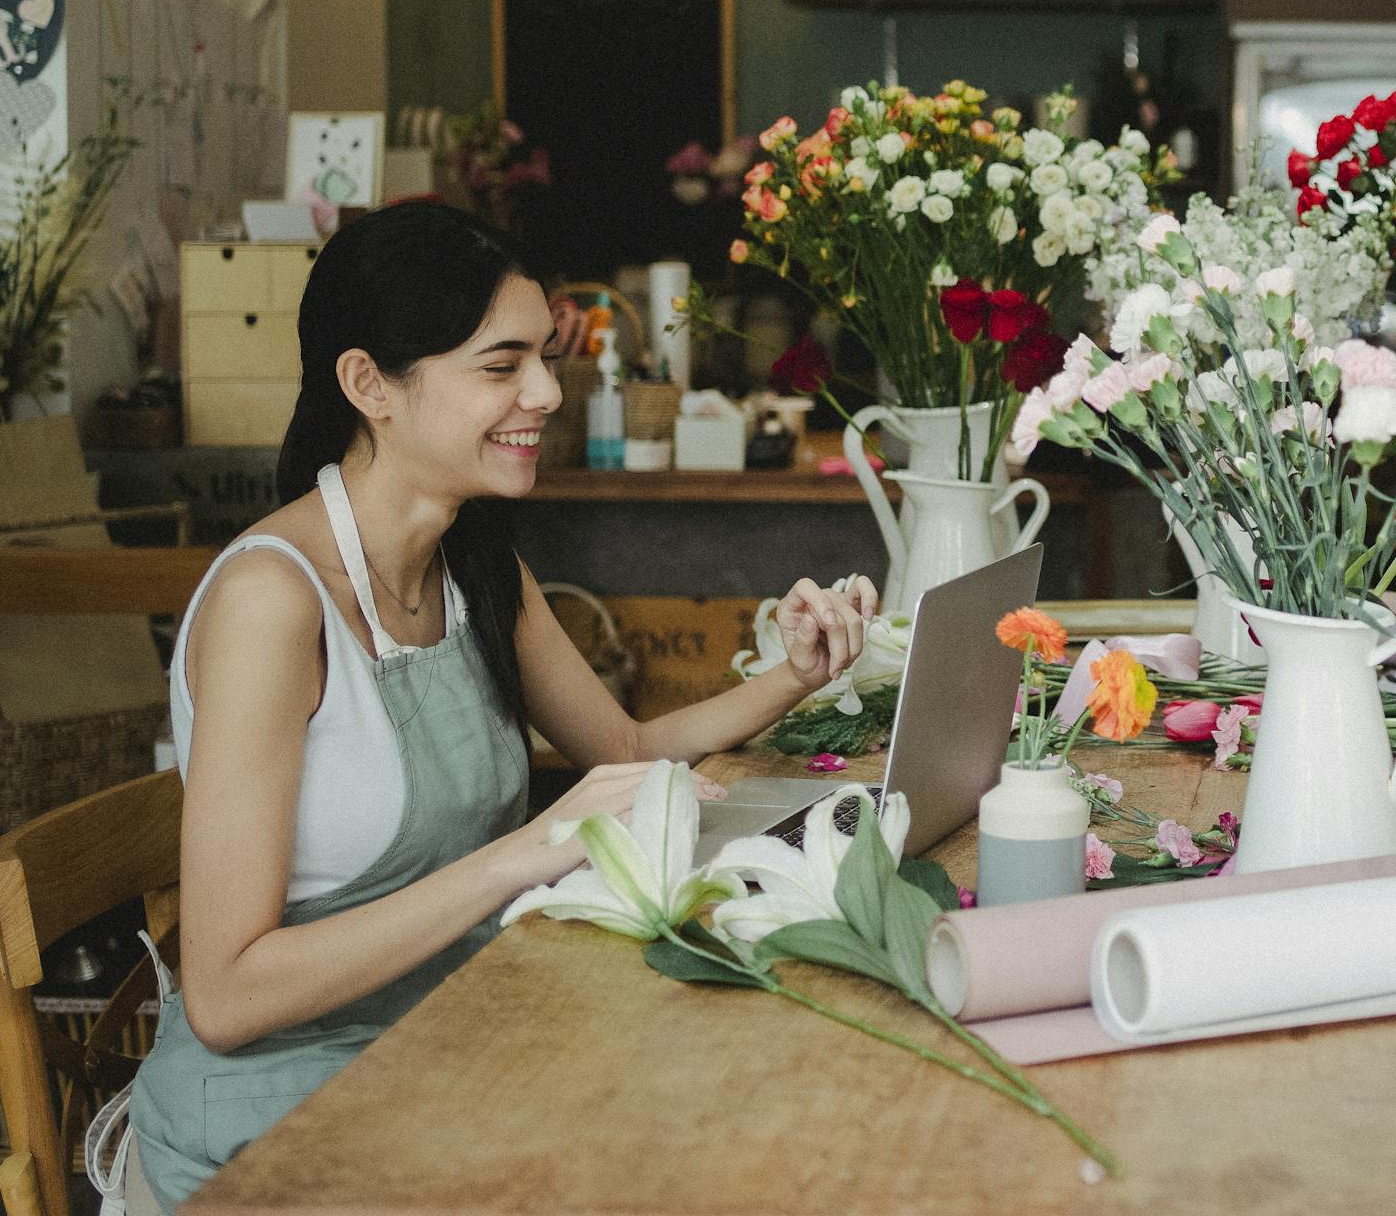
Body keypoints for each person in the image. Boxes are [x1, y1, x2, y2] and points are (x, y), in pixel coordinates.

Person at [125, 204, 876, 1211]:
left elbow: (625, 744)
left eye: (544, 358)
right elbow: (223, 995)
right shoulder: (273, 599)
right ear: (368, 384)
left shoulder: (472, 561)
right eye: (500, 364)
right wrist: (525, 850)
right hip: (271, 1131)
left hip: (437, 1056)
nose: (545, 392)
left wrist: (795, 671)